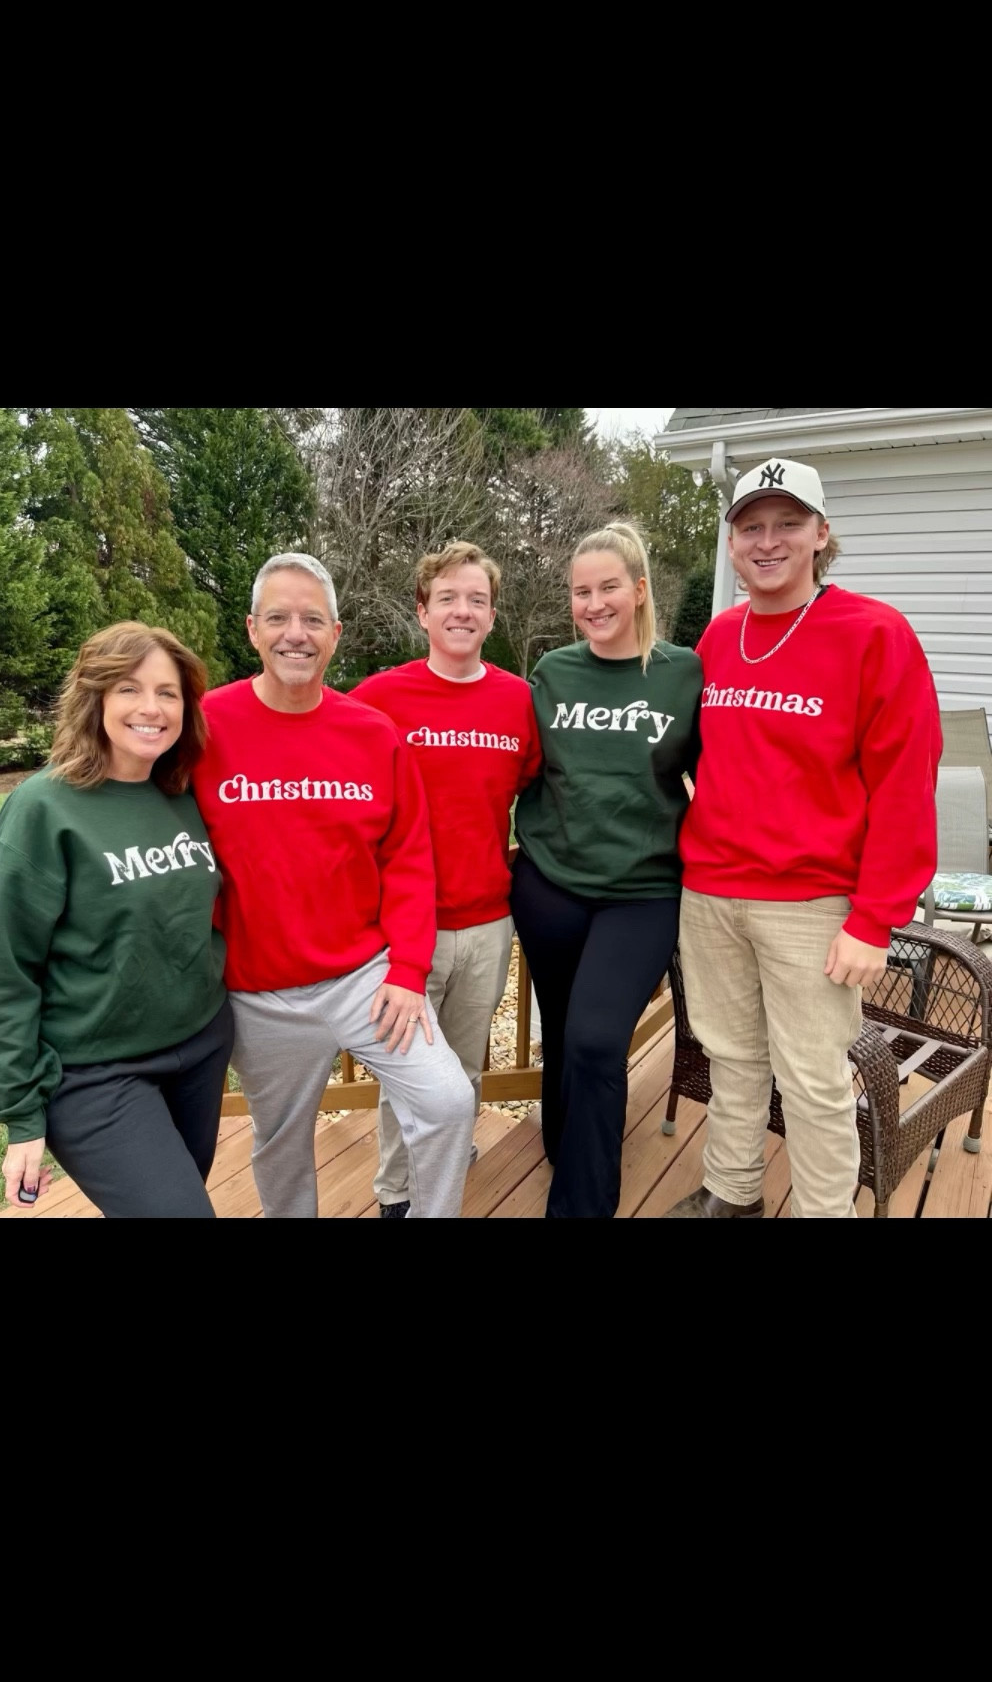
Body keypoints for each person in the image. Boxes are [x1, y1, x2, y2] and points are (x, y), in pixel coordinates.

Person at [665, 455, 941, 1220]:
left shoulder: (874, 635)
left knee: (814, 1079)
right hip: (712, 890)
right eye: (751, 526)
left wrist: (873, 918)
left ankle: (827, 1212)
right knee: (731, 1056)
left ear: (822, 534)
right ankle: (733, 1191)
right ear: (730, 543)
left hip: (813, 905)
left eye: (788, 524)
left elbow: (906, 787)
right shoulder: (719, 639)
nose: (768, 540)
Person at [190, 552, 476, 1219]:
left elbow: (408, 859)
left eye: (313, 619)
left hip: (366, 980)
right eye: (280, 618)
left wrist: (408, 971)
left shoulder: (372, 735)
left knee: (447, 1101)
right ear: (252, 629)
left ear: (335, 633)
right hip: (257, 992)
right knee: (281, 1140)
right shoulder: (204, 728)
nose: (297, 633)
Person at [0, 623, 234, 1218]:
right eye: (128, 689)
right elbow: (5, 976)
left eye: (168, 692)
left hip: (199, 1048)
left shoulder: (182, 793)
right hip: (95, 1072)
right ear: (94, 697)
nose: (151, 708)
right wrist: (21, 1116)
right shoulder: (44, 809)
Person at [509, 522, 702, 1218]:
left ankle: (582, 1203)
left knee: (596, 1039)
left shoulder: (683, 674)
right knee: (562, 1025)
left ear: (640, 590)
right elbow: (515, 765)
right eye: (580, 591)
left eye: (609, 587)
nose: (594, 603)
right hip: (550, 884)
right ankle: (564, 1143)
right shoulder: (554, 674)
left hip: (643, 892)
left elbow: (725, 776)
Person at [352, 541, 543, 1216]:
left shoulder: (518, 702)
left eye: (477, 601)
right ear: (423, 611)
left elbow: (531, 790)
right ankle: (395, 1195)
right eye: (448, 599)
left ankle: (446, 1162)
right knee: (406, 1074)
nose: (463, 611)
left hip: (488, 922)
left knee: (461, 1071)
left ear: (492, 616)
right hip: (406, 930)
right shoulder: (377, 700)